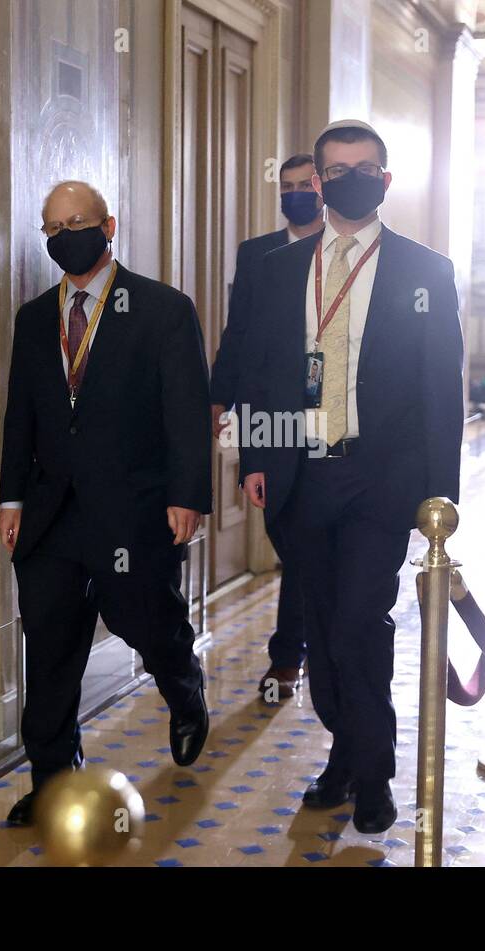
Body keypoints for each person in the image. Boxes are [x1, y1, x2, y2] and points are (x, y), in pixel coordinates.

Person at [239, 120, 464, 834]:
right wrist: (253, 457)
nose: (348, 180)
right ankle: (347, 753)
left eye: (364, 168)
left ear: (386, 180)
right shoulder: (276, 269)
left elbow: (441, 389)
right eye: (334, 171)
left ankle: (373, 776)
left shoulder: (426, 272)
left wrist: (440, 494)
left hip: (380, 478)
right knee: (321, 628)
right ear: (319, 182)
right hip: (299, 474)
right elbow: (257, 371)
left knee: (360, 624)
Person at [0, 181, 212, 826]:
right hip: (52, 514)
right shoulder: (34, 318)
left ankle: (184, 685)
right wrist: (11, 497)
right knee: (52, 644)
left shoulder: (161, 309)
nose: (66, 236)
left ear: (108, 225)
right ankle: (54, 780)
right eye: (52, 228)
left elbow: (185, 412)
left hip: (135, 506)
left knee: (142, 620)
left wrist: (188, 495)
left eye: (78, 223)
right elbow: (21, 416)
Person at [210, 154, 324, 701]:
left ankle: (292, 655)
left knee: (310, 545)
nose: (297, 193)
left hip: (332, 420)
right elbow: (240, 335)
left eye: (307, 185)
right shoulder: (257, 254)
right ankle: (299, 648)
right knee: (289, 535)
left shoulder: (344, 250)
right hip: (273, 420)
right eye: (288, 186)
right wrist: (219, 396)